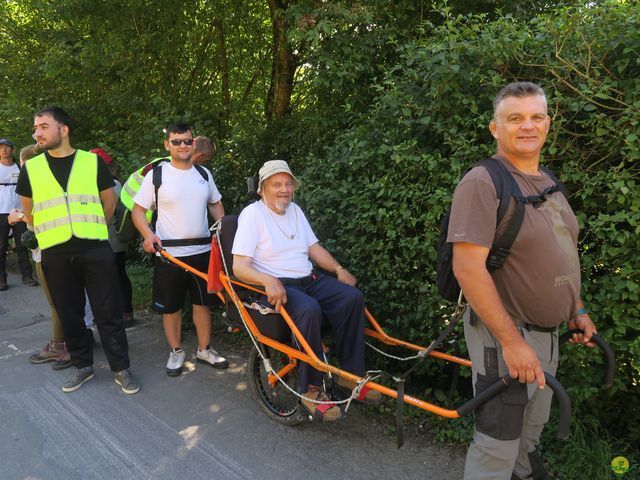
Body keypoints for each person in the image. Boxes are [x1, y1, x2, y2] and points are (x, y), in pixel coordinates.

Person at [448, 82, 597, 480]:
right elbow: (468, 269)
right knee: (498, 438)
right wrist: (512, 343)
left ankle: (522, 473)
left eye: (536, 117)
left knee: (531, 425)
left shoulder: (545, 179)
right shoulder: (482, 182)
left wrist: (576, 308)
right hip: (505, 334)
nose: (527, 126)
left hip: (547, 334)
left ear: (548, 123)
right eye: (515, 118)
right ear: (495, 128)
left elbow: (562, 248)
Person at [231, 160, 381, 422]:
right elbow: (239, 267)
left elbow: (313, 248)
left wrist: (338, 269)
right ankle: (311, 391)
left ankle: (349, 377)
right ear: (262, 188)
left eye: (288, 184)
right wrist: (266, 280)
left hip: (307, 279)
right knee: (309, 309)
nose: (284, 190)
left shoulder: (296, 211)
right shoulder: (252, 215)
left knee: (352, 298)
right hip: (276, 285)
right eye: (277, 184)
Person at [16, 106, 139, 395]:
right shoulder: (32, 168)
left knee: (108, 312)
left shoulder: (91, 162)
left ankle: (121, 368)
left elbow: (109, 202)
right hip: (55, 252)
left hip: (94, 247)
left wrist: (93, 228)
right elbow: (29, 212)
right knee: (70, 313)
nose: (37, 133)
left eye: (44, 126)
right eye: (36, 128)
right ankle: (82, 366)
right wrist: (49, 234)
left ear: (64, 130)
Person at [132, 123, 228, 377]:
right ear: (167, 145)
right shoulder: (157, 175)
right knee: (171, 308)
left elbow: (216, 206)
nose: (183, 146)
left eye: (187, 141)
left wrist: (222, 234)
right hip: (169, 255)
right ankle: (176, 351)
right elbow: (138, 211)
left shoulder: (204, 174)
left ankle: (204, 349)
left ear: (193, 143)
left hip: (203, 252)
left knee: (203, 304)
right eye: (177, 142)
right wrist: (148, 235)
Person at [9, 144, 71, 370]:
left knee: (57, 301)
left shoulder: (39, 184)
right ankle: (69, 340)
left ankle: (61, 345)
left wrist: (17, 217)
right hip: (52, 248)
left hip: (48, 250)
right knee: (63, 299)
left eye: (24, 166)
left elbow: (39, 216)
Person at [90, 147, 135, 328]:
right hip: (112, 238)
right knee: (116, 274)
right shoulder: (113, 181)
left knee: (116, 276)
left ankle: (124, 313)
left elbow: (109, 209)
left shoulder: (109, 183)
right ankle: (124, 312)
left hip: (111, 238)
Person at [0, 138, 37, 291]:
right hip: (1, 212)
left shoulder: (19, 167)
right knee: (1, 246)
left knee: (23, 244)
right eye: (1, 147)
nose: (3, 150)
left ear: (13, 150)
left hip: (20, 211)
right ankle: (1, 278)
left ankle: (27, 275)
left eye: (7, 147)